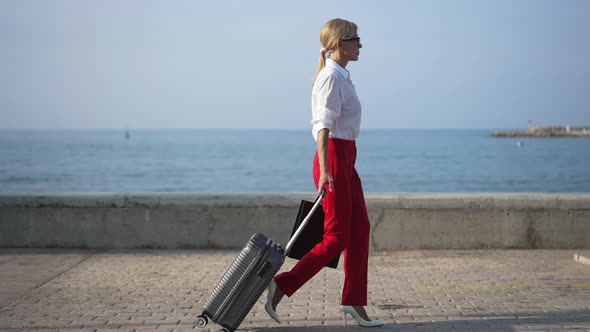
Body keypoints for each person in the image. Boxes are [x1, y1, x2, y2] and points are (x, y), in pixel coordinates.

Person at [264, 18, 383, 328]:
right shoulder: (330, 77)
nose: (360, 45)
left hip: (346, 158)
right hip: (333, 157)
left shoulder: (342, 76)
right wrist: (326, 169)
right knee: (336, 237)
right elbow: (322, 126)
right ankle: (282, 285)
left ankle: (354, 301)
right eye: (356, 39)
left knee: (360, 230)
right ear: (341, 43)